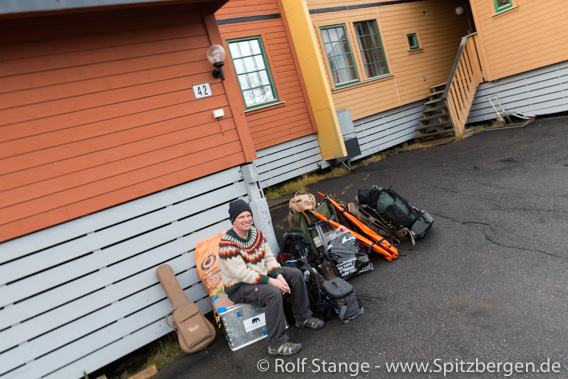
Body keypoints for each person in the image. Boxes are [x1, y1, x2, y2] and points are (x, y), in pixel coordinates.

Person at [218, 199, 324, 356]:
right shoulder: (227, 244)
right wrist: (272, 281)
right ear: (233, 220)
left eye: (248, 215)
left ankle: (303, 317)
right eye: (241, 217)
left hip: (261, 276)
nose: (246, 219)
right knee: (272, 293)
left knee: (294, 274)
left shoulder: (256, 234)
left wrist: (279, 275)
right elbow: (243, 274)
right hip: (239, 287)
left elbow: (269, 259)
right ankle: (276, 344)